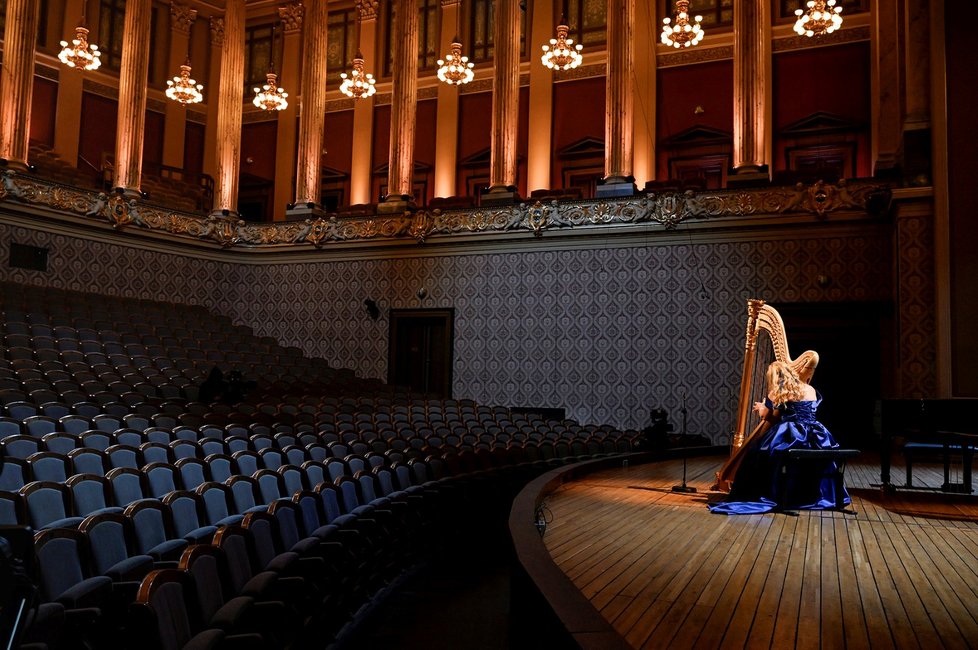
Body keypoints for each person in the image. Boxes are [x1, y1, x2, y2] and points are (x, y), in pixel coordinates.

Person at [709, 360, 850, 515]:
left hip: (792, 432)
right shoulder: (810, 389)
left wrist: (761, 408)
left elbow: (769, 417)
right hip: (816, 433)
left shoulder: (776, 392)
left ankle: (770, 494)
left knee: (759, 452)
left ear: (774, 377)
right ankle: (815, 495)